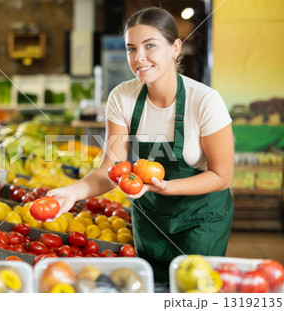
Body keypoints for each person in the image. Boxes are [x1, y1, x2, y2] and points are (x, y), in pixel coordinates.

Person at [47, 7, 234, 283]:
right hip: (152, 220)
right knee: (151, 291)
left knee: (193, 291)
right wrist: (72, 192)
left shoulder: (204, 101)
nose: (139, 58)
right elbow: (108, 171)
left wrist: (167, 186)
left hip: (201, 219)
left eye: (150, 46)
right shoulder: (122, 97)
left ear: (175, 48)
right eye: (131, 49)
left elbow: (222, 176)